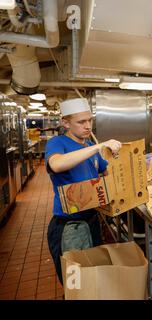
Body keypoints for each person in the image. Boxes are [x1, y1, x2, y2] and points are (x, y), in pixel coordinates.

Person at [45, 98, 122, 283]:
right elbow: (56, 165)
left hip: (92, 220)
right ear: (66, 123)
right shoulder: (58, 143)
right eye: (81, 122)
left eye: (90, 120)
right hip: (70, 226)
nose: (88, 126)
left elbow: (108, 171)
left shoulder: (88, 146)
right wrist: (98, 146)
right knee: (76, 283)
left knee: (92, 277)